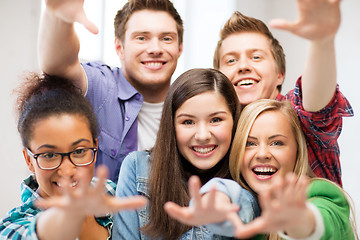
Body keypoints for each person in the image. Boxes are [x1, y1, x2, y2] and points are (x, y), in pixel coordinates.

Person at [165, 99, 357, 240]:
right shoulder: (247, 205)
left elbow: (321, 220)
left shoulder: (325, 195)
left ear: (298, 150)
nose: (263, 153)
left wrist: (300, 221)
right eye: (250, 143)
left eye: (277, 143)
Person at [37, 0, 184, 182]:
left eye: (166, 38)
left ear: (179, 48)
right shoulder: (101, 86)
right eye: (141, 38)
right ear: (119, 48)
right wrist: (57, 18)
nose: (155, 49)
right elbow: (59, 64)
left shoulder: (189, 103)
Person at [213, 0, 353, 186]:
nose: (243, 66)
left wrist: (322, 42)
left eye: (256, 57)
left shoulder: (295, 113)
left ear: (280, 74)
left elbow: (316, 106)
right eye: (231, 60)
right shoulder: (219, 129)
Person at [112, 68, 260, 239]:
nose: (203, 135)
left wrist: (222, 197)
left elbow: (244, 204)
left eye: (216, 120)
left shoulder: (247, 176)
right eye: (188, 122)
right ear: (172, 125)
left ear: (234, 120)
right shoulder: (137, 167)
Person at [0, 73, 147, 240]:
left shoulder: (111, 192)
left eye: (79, 151)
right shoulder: (12, 228)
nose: (67, 170)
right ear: (29, 160)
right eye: (49, 155)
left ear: (95, 147)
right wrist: (67, 217)